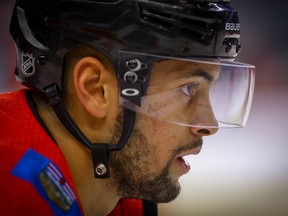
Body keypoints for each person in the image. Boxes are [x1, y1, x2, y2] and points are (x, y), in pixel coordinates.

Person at [0, 0, 255, 215]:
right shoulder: (9, 190)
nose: (209, 126)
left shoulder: (125, 191)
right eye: (187, 88)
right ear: (95, 89)